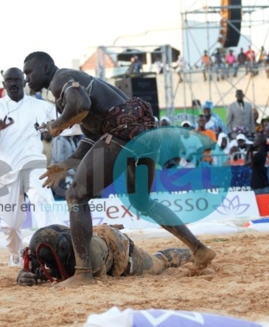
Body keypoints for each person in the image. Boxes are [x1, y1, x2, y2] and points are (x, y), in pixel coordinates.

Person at [23, 51, 216, 286]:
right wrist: (66, 163)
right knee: (142, 201)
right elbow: (92, 135)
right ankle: (199, 249)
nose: (27, 79)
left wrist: (57, 125)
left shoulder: (60, 79)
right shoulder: (74, 81)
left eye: (28, 73)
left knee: (76, 195)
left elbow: (80, 105)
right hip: (144, 135)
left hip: (123, 136)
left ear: (45, 68)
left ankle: (83, 273)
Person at [0, 67, 60, 267]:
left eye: (17, 79)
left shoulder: (40, 106)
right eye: (9, 80)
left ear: (24, 82)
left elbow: (60, 122)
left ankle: (53, 249)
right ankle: (15, 253)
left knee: (42, 199)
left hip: (33, 162)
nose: (14, 83)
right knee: (10, 223)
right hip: (6, 168)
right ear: (4, 84)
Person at [16, 224, 194, 286]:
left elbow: (91, 278)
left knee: (159, 262)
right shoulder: (44, 246)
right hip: (94, 234)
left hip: (121, 253)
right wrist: (25, 275)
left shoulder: (89, 256)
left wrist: (53, 274)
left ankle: (193, 252)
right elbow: (28, 270)